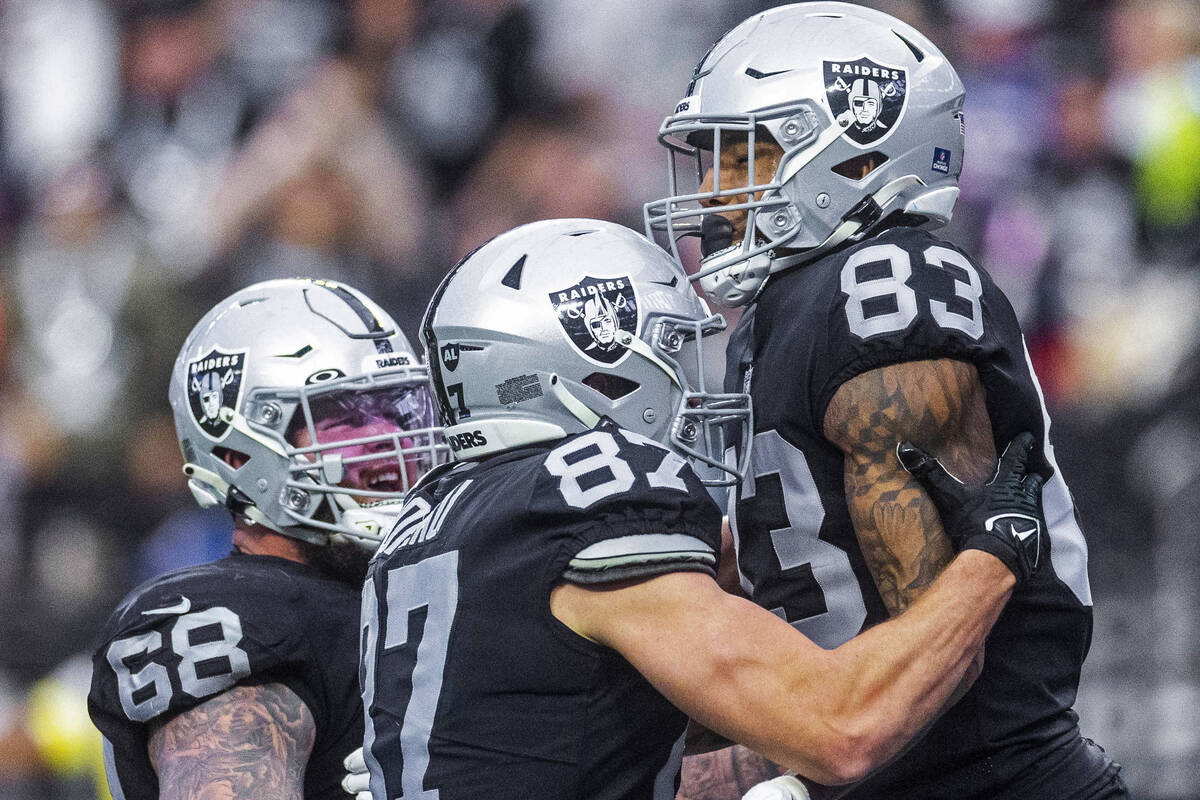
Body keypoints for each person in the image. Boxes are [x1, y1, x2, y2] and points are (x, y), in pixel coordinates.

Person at [358, 218, 1046, 800]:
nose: (690, 381)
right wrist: (994, 553)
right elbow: (841, 728)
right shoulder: (590, 490)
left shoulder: (437, 515)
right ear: (592, 363)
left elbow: (580, 720)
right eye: (669, 350)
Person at [645, 4, 1126, 798]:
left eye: (741, 157)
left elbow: (939, 651)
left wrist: (784, 769)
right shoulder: (780, 313)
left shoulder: (889, 289)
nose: (709, 191)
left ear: (859, 155)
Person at [88, 278, 445, 800]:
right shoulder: (238, 619)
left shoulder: (424, 584)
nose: (389, 445)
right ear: (238, 455)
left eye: (398, 413)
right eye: (349, 421)